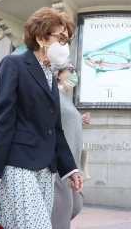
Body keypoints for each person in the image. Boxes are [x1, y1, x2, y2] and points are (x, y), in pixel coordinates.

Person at [0, 7, 83, 229]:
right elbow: (2, 122)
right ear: (40, 36)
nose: (65, 44)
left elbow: (56, 130)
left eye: (67, 39)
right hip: (17, 165)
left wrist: (70, 169)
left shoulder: (51, 78)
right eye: (60, 37)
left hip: (45, 171)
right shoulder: (14, 64)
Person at [51, 61, 90, 229]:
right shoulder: (53, 94)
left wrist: (78, 120)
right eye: (70, 70)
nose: (74, 74)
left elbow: (63, 123)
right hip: (60, 163)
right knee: (63, 212)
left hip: (72, 165)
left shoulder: (67, 98)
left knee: (76, 205)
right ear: (58, 74)